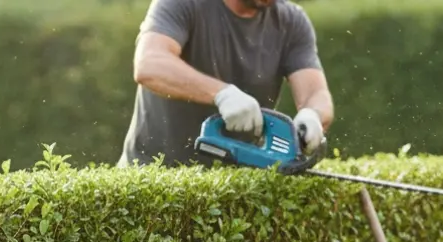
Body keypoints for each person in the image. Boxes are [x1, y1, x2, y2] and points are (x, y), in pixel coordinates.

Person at [118, 0, 335, 168]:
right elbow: (150, 64)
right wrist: (221, 94)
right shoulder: (183, 3)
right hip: (151, 173)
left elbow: (315, 93)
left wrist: (313, 114)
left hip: (234, 186)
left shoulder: (291, 22)